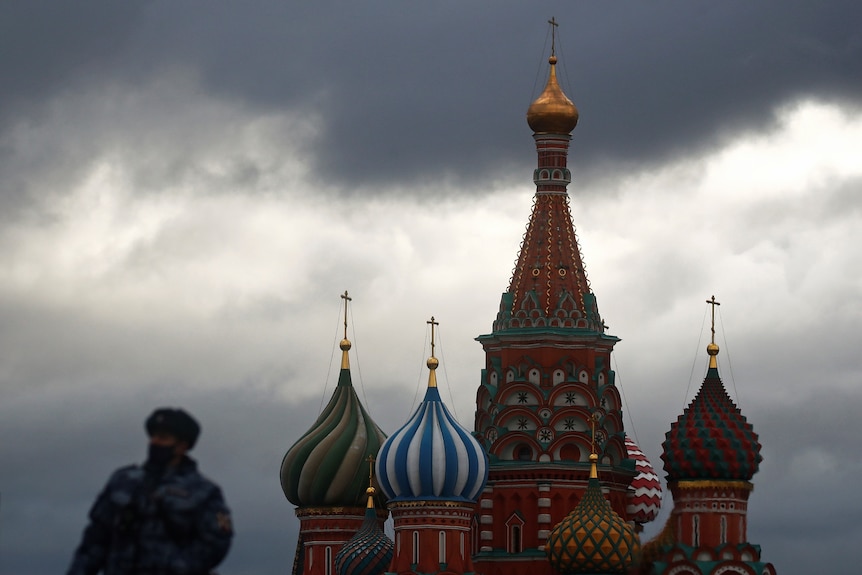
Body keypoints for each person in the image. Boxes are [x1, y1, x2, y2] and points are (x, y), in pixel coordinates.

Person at [67, 408, 233, 575]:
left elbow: (216, 543)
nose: (154, 442)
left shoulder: (204, 491)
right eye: (153, 436)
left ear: (182, 446)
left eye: (163, 438)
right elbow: (95, 539)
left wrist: (178, 567)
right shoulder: (123, 481)